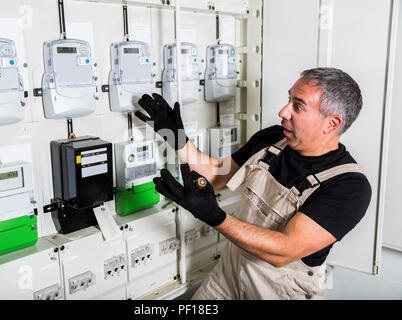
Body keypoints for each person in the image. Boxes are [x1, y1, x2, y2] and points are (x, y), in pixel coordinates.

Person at [134, 67, 372, 300]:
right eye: (288, 100)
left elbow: (284, 250)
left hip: (279, 291)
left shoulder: (349, 186)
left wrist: (212, 215)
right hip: (228, 277)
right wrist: (173, 135)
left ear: (331, 124)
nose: (283, 112)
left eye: (297, 106)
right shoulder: (272, 138)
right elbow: (219, 174)